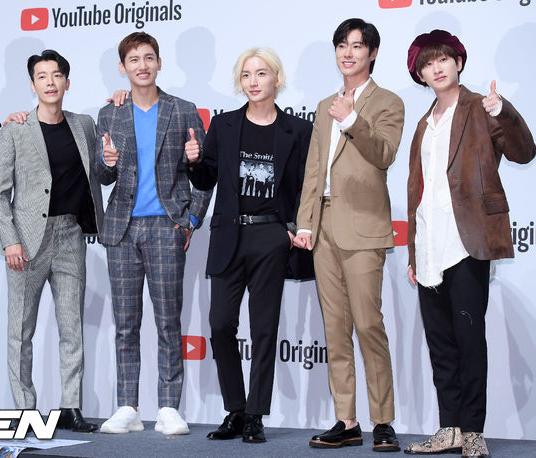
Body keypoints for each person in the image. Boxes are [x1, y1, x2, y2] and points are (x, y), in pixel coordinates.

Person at [404, 30, 535, 457]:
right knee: (440, 343)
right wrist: (413, 253)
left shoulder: (481, 107)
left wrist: (503, 111)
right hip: (429, 246)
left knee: (469, 339)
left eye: (443, 59)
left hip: (467, 242)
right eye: (427, 63)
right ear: (420, 74)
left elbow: (524, 152)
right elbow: (417, 192)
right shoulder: (423, 125)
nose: (437, 68)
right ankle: (450, 428)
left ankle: (474, 431)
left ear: (458, 62)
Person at [186, 47, 313, 443]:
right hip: (229, 235)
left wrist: (293, 228)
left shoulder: (298, 131)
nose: (253, 81)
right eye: (246, 75)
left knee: (264, 328)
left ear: (277, 78)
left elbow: (305, 187)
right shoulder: (223, 125)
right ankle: (236, 409)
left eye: (261, 73)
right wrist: (194, 161)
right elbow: (205, 180)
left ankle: (255, 414)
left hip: (271, 237)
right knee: (220, 324)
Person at [293, 18, 404, 452]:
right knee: (335, 330)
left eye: (357, 46)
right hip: (323, 229)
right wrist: (305, 222)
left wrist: (353, 118)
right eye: (342, 45)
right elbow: (314, 168)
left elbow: (384, 154)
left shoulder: (388, 102)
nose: (348, 53)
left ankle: (383, 422)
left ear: (372, 53)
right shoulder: (325, 105)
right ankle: (347, 420)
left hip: (363, 228)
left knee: (369, 325)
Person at [96, 32, 212, 435]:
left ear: (159, 63)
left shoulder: (182, 111)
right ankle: (127, 406)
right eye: (133, 60)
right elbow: (103, 176)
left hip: (166, 226)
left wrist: (191, 219)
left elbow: (204, 175)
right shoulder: (110, 114)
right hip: (122, 229)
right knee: (125, 324)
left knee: (167, 322)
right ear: (122, 67)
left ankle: (168, 407)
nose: (142, 66)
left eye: (148, 58)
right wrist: (107, 162)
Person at [0, 50, 103, 432]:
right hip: (27, 241)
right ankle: (26, 410)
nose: (50, 82)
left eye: (57, 75)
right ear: (33, 84)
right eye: (42, 76)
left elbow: (99, 173)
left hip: (71, 235)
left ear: (67, 82)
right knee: (20, 332)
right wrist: (10, 241)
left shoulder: (84, 124)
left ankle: (70, 406)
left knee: (72, 328)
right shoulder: (16, 129)